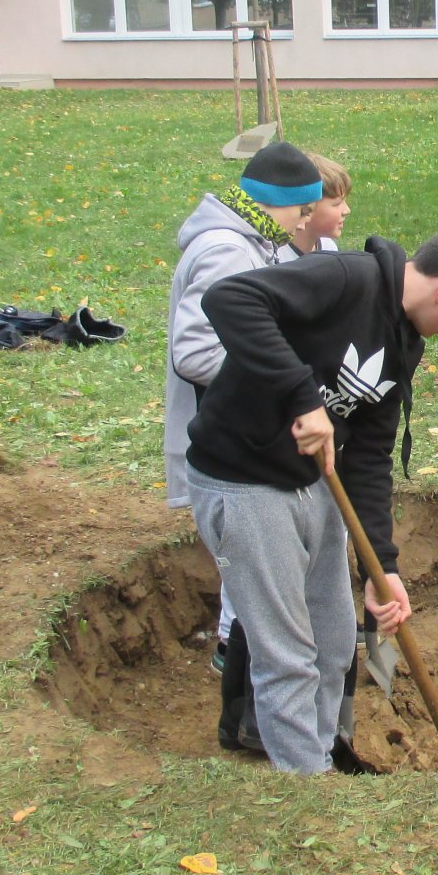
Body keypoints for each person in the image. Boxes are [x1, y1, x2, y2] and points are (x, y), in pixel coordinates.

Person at [186, 219, 438, 772]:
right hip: (243, 478)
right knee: (287, 654)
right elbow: (230, 299)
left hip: (313, 481)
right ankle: (307, 785)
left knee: (335, 642)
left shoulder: (406, 340)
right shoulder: (345, 278)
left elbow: (368, 456)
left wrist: (381, 568)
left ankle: (319, 756)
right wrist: (300, 397)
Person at [165, 142, 322, 678]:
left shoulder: (254, 241)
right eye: (302, 211)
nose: (304, 222)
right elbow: (195, 352)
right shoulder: (228, 251)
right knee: (252, 556)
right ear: (277, 202)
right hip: (231, 433)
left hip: (246, 431)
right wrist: (280, 380)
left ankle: (245, 655)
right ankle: (239, 660)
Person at [296, 155, 352, 255]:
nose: (347, 210)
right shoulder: (275, 260)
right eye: (337, 204)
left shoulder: (328, 248)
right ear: (307, 208)